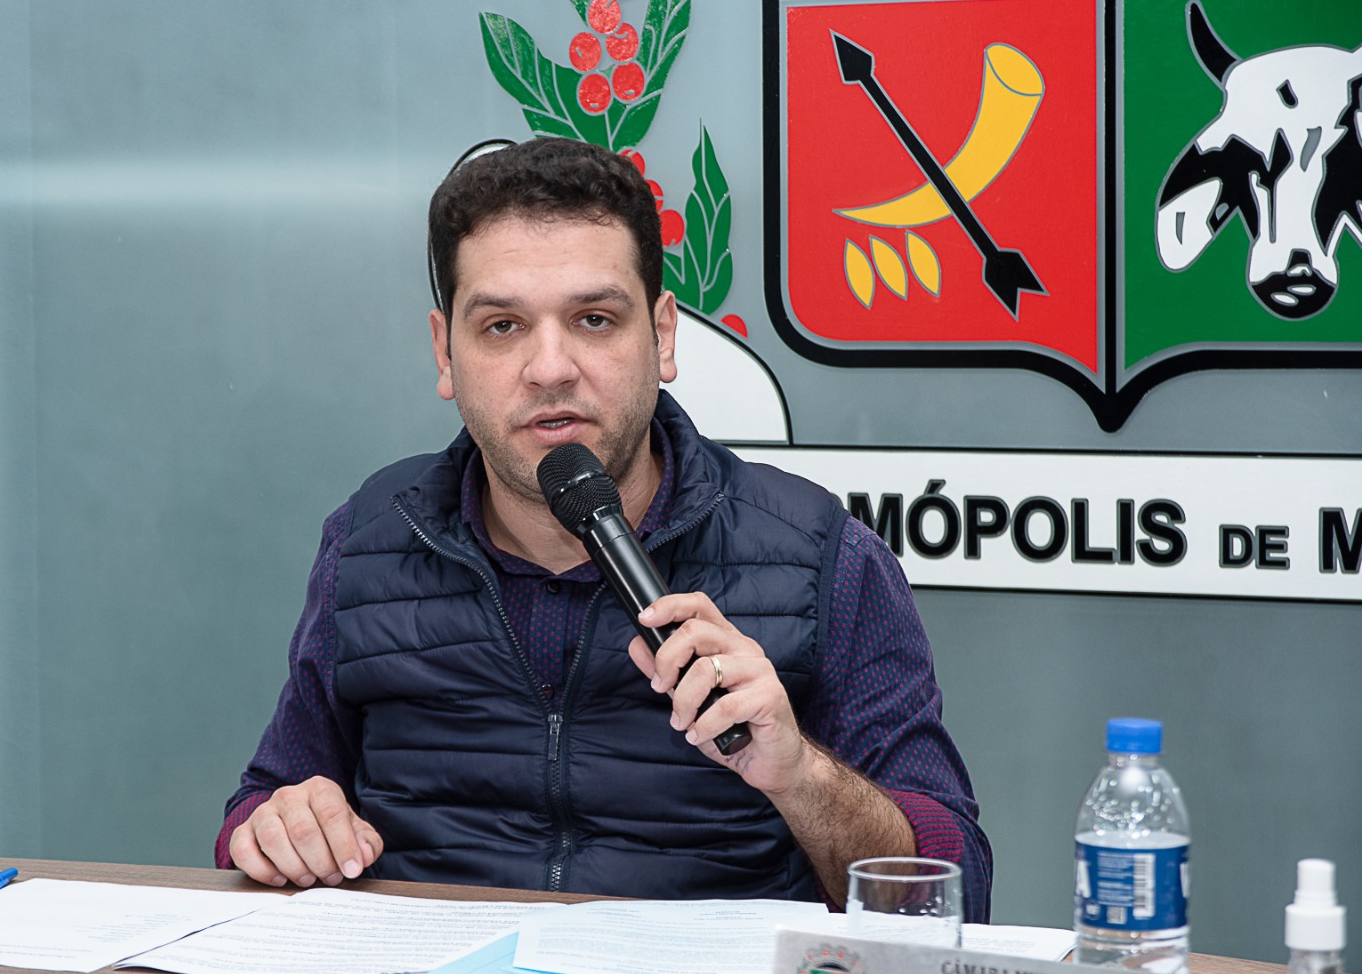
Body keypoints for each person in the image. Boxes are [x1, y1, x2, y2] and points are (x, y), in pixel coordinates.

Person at [217, 137, 992, 919]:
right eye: (502, 326)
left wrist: (801, 775)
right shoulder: (371, 539)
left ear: (663, 335)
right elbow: (265, 805)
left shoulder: (820, 554)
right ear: (445, 352)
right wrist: (280, 824)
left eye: (593, 319)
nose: (550, 367)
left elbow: (953, 892)